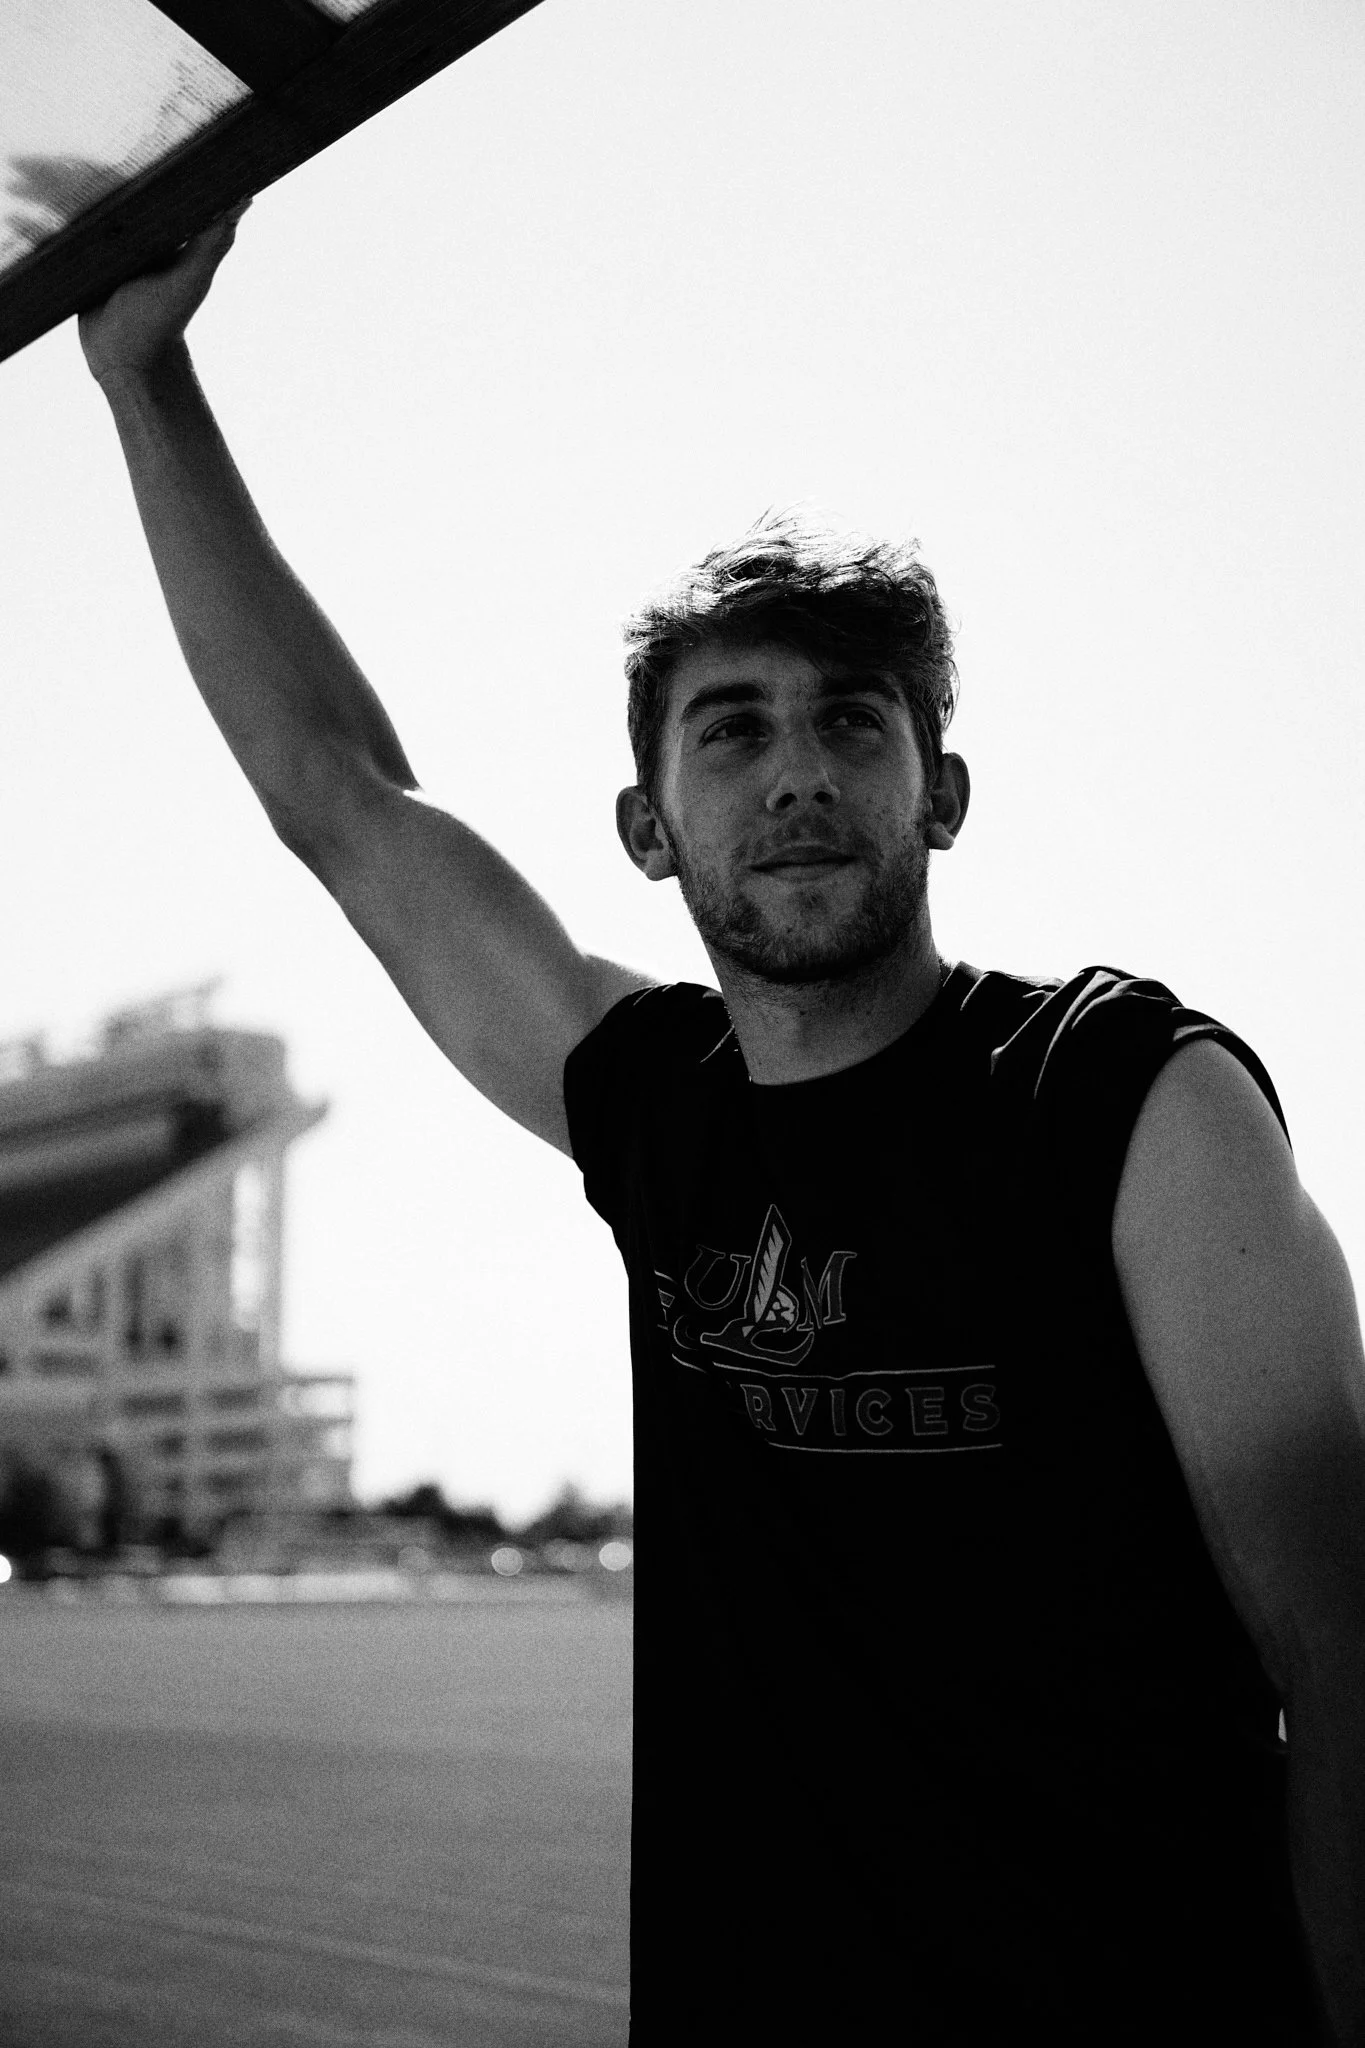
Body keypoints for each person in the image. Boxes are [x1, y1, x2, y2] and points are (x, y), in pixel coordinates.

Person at [77, 208, 1364, 2046]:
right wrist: (144, 375)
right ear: (648, 824)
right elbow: (337, 797)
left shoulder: (1132, 1103)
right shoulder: (660, 1113)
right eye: (732, 732)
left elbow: (1345, 1651)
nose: (798, 774)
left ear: (945, 793)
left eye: (856, 722)